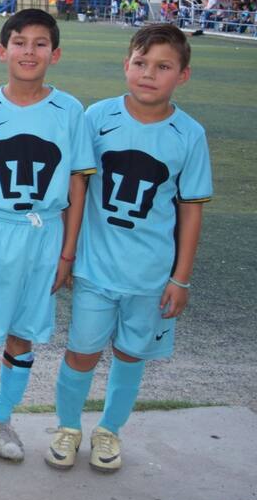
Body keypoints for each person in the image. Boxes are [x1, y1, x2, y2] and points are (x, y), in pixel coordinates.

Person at [47, 24, 211, 473]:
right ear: (126, 65)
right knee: (82, 350)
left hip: (151, 274)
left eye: (163, 67)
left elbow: (191, 210)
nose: (148, 74)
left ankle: (108, 431)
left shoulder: (189, 134)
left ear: (183, 75)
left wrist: (180, 277)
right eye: (140, 63)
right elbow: (76, 189)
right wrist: (66, 251)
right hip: (95, 268)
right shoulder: (98, 117)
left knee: (130, 354)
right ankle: (67, 427)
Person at [0, 9, 94, 462]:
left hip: (46, 232)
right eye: (20, 42)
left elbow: (77, 182)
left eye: (40, 43)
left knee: (24, 333)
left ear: (55, 54)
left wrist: (68, 252)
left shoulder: (70, 110)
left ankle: (3, 417)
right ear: (3, 51)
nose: (29, 51)